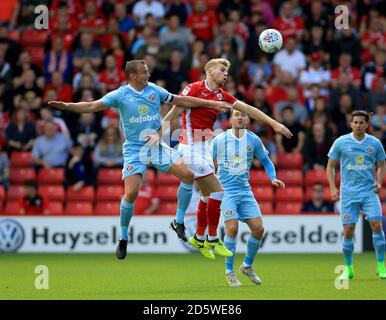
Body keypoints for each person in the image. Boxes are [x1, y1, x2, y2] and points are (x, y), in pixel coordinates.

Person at [48, 59, 230, 260]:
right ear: (133, 76)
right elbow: (91, 105)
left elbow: (181, 100)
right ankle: (123, 237)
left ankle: (178, 221)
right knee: (132, 192)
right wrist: (67, 106)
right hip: (135, 149)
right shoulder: (120, 94)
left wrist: (211, 103)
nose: (148, 74)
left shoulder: (154, 90)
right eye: (144, 72)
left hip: (156, 145)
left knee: (188, 175)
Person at [162, 58, 292, 259]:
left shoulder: (222, 96)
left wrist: (273, 123)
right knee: (219, 191)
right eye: (222, 70)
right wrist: (157, 133)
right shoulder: (193, 89)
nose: (226, 74)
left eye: (227, 71)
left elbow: (249, 109)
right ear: (210, 71)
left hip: (205, 146)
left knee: (207, 196)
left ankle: (198, 236)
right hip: (189, 146)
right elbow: (173, 113)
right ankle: (212, 238)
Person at [212, 109, 285, 286]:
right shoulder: (220, 140)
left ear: (248, 119)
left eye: (244, 115)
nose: (240, 117)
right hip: (226, 190)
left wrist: (272, 177)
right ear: (230, 119)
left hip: (245, 191)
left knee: (259, 229)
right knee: (232, 228)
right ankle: (229, 272)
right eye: (237, 114)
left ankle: (247, 266)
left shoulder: (253, 139)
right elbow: (208, 162)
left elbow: (266, 161)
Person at [327, 110, 386, 280]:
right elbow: (330, 166)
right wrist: (332, 187)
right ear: (350, 124)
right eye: (355, 122)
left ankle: (381, 266)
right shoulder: (341, 142)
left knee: (377, 225)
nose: (358, 126)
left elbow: (382, 165)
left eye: (362, 123)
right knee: (348, 231)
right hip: (348, 194)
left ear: (367, 125)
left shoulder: (374, 143)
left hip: (369, 192)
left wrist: (379, 182)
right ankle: (348, 268)